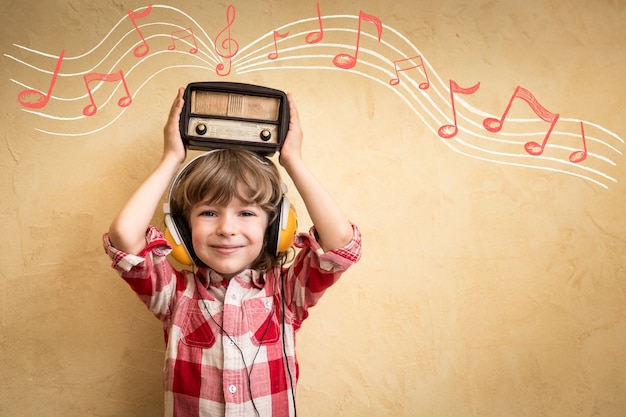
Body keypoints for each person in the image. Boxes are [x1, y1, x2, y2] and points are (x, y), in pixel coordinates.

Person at [102, 87, 362, 417]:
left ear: (275, 228)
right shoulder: (175, 296)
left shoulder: (287, 294)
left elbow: (340, 245)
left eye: (247, 213)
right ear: (182, 230)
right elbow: (125, 237)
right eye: (209, 213)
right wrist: (171, 158)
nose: (226, 228)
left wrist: (293, 160)